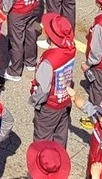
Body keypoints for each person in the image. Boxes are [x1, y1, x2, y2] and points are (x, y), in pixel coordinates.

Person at [30, 13, 76, 148]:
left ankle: (42, 165)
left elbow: (43, 89)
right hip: (64, 100)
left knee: (42, 139)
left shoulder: (49, 60)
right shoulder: (70, 49)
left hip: (49, 105)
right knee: (60, 136)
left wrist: (35, 101)